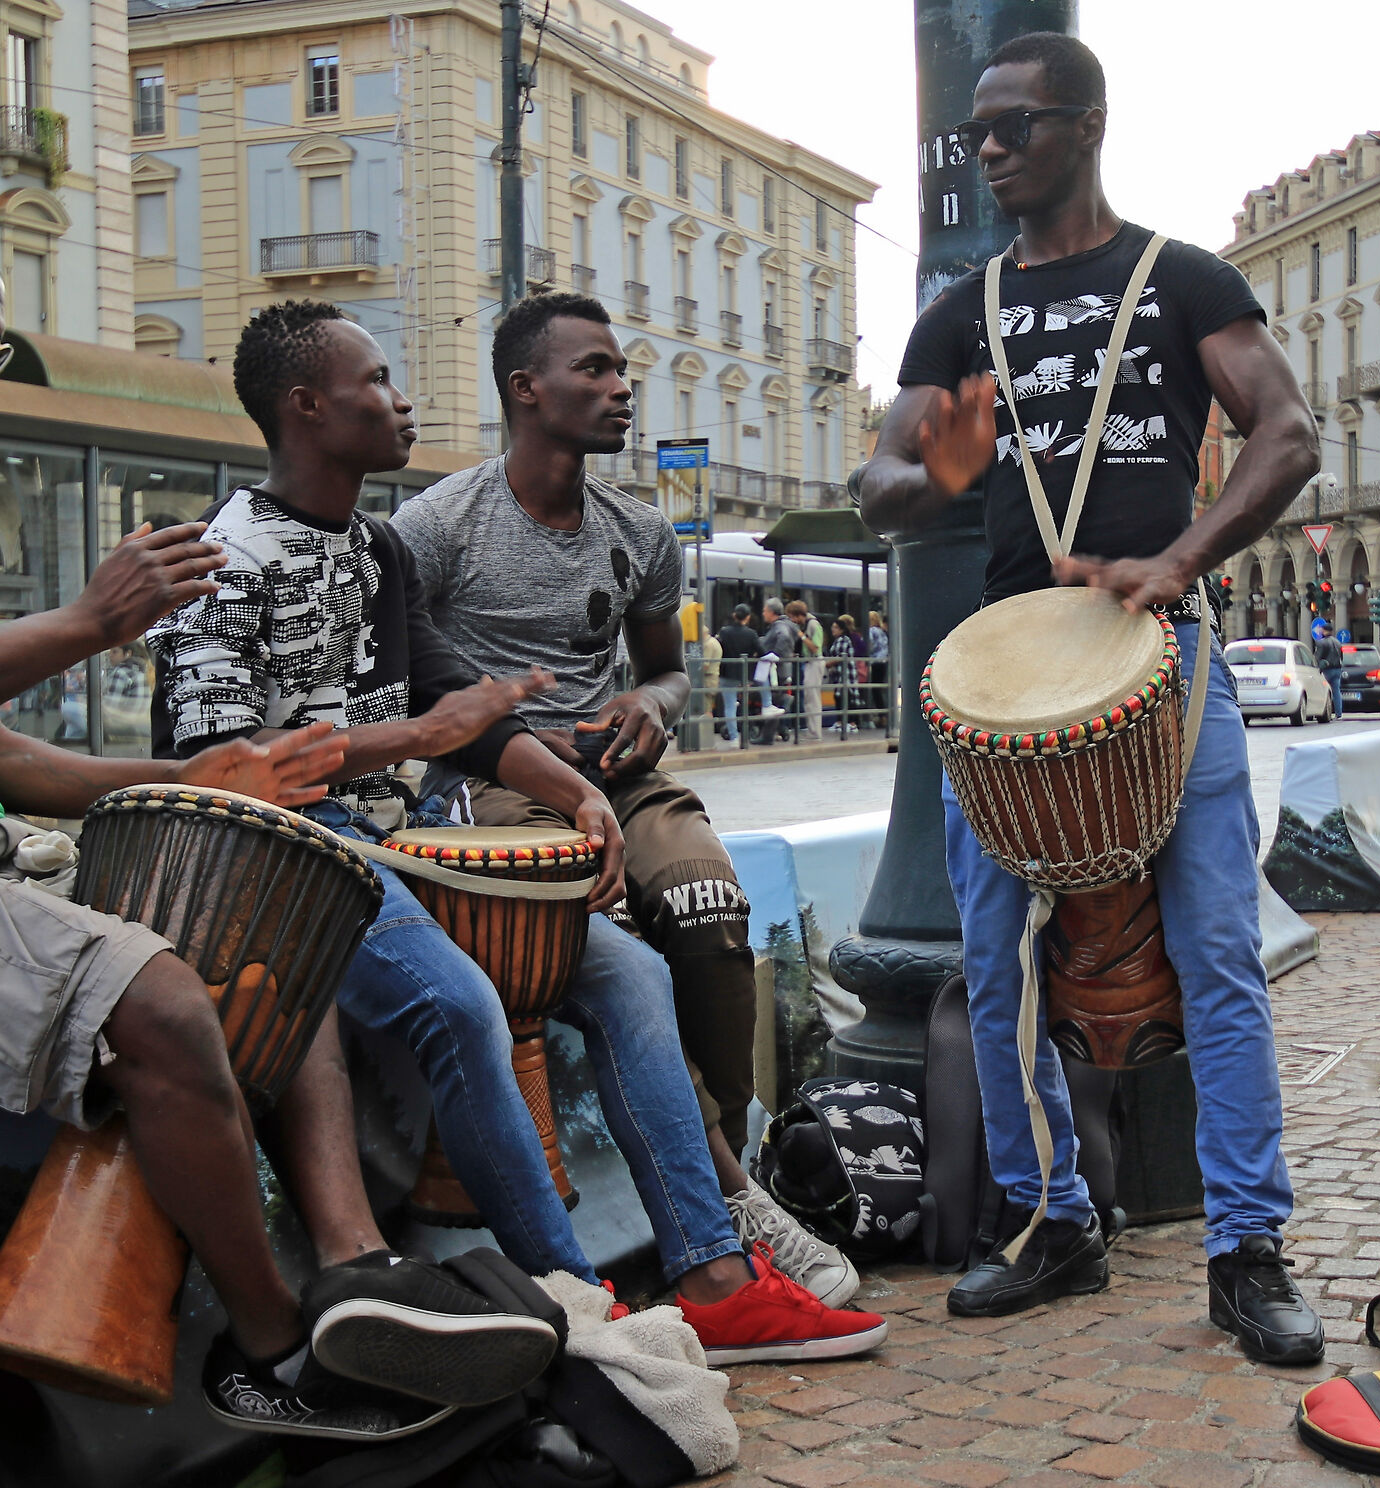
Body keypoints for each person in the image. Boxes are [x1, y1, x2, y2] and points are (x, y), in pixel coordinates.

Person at [0, 205, 566, 1441]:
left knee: (270, 931)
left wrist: (202, 781)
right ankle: (275, 1354)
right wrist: (90, 620)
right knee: (167, 1001)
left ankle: (353, 1271)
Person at [148, 300, 884, 1367]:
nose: (403, 401)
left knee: (630, 971)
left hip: (401, 851)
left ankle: (715, 1276)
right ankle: (576, 1301)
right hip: (289, 856)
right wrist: (413, 734)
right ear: (307, 408)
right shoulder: (226, 559)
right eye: (378, 384)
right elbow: (215, 777)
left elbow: (463, 706)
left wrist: (576, 793)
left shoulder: (376, 552)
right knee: (460, 1002)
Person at [861, 32, 1322, 1362]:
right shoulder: (959, 312)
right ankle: (1053, 1220)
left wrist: (1183, 558)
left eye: (1014, 127)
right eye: (976, 133)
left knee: (1219, 960)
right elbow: (881, 488)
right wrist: (942, 466)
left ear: (1088, 125)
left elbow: (1285, 433)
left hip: (1162, 670)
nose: (988, 148)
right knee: (998, 973)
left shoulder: (1182, 281)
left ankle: (1247, 1246)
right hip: (1009, 684)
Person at [389, 290, 863, 1309]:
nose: (620, 387)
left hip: (622, 777)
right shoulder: (437, 524)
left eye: (619, 370)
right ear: (527, 389)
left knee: (705, 903)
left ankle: (727, 1173)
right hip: (492, 786)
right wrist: (509, 735)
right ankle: (734, 1201)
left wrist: (651, 706)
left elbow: (667, 670)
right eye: (594, 370)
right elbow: (403, 681)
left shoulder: (639, 532)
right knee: (610, 946)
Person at [759, 598, 804, 743]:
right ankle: (770, 734)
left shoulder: (779, 625)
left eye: (765, 610)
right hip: (784, 670)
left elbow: (783, 638)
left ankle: (767, 738)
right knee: (775, 702)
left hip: (776, 671)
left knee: (773, 702)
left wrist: (775, 655)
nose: (763, 613)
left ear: (772, 612)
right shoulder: (788, 624)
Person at [715, 603, 761, 742]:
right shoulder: (751, 634)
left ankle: (734, 737)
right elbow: (762, 651)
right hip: (744, 676)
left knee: (729, 706)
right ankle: (746, 734)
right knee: (744, 704)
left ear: (734, 615)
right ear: (747, 618)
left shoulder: (724, 632)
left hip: (726, 674)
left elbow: (718, 649)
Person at [1313, 625, 1343, 715]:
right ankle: (1339, 713)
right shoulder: (1338, 642)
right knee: (1336, 691)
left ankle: (1323, 712)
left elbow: (1318, 657)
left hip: (1326, 670)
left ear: (1324, 630)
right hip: (1337, 669)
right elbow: (1341, 657)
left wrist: (1316, 666)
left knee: (1322, 690)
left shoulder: (1321, 643)